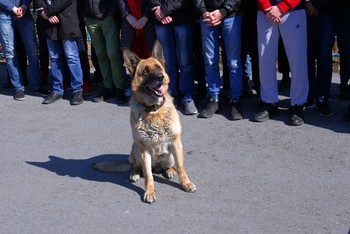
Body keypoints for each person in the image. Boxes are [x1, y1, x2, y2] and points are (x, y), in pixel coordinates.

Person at [254, 0, 308, 126]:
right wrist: (266, 7)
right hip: (265, 12)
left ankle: (298, 104)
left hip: (293, 10)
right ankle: (269, 102)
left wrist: (282, 7)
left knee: (297, 60)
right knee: (265, 59)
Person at [194, 0, 243, 120]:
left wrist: (222, 11)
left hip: (231, 16)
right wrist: (203, 11)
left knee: (234, 62)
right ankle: (213, 98)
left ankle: (235, 99)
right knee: (210, 61)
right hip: (207, 17)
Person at [150, 0, 198, 115]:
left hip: (182, 17)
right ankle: (170, 95)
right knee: (167, 63)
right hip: (160, 19)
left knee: (185, 62)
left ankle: (188, 97)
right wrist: (158, 8)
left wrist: (164, 10)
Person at [35, 0, 84, 105]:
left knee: (71, 57)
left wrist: (47, 12)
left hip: (67, 22)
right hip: (48, 24)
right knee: (54, 58)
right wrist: (46, 12)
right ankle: (57, 90)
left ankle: (77, 90)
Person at [307, 0, 350, 116]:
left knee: (323, 56)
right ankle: (308, 95)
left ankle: (322, 99)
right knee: (306, 56)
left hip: (328, 12)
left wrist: (314, 4)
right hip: (304, 12)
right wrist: (307, 2)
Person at [0, 0, 49, 101]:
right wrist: (12, 8)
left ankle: (37, 85)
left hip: (24, 12)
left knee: (33, 50)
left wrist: (25, 5)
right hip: (4, 13)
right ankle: (18, 87)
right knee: (10, 52)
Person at [82, 0, 129, 105]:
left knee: (113, 53)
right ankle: (108, 87)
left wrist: (111, 14)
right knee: (100, 54)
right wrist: (84, 15)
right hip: (90, 20)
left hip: (107, 18)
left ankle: (119, 88)